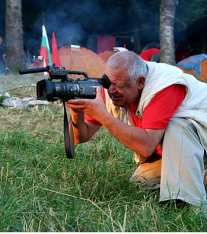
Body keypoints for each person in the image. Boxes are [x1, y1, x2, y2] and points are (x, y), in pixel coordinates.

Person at [66, 50, 207, 207]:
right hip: (180, 153)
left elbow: (146, 146)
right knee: (140, 184)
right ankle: (200, 177)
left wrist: (103, 115)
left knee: (177, 125)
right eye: (108, 82)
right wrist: (77, 110)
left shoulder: (164, 86)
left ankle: (190, 207)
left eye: (118, 85)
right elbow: (80, 137)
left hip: (201, 142)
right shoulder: (112, 89)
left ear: (140, 82)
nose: (111, 91)